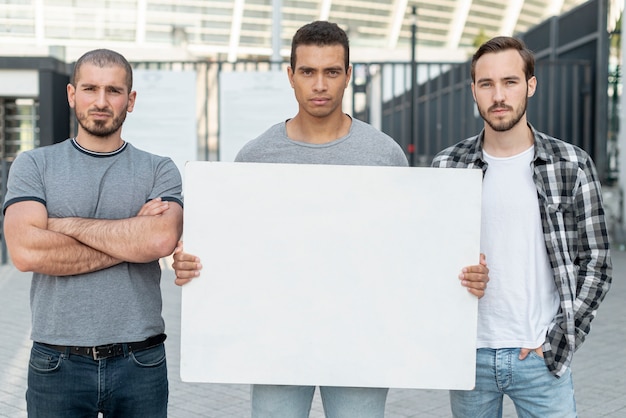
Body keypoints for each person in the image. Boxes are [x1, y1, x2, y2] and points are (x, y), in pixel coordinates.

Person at [173, 21, 489, 418]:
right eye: (307, 71)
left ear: (348, 75)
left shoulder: (384, 155)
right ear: (290, 76)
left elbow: (408, 252)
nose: (319, 84)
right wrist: (196, 266)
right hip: (276, 342)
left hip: (362, 342)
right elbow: (237, 252)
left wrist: (460, 273)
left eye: (331, 72)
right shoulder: (256, 156)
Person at [432, 36, 612, 417]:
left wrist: (563, 336)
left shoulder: (571, 164)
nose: (498, 95)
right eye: (487, 84)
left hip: (541, 357)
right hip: (470, 358)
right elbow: (425, 261)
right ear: (474, 91)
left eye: (510, 82)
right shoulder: (447, 167)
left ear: (530, 85)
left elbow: (596, 262)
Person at [2, 49, 183, 417]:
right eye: (90, 89)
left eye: (114, 91)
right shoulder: (34, 164)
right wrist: (133, 237)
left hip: (140, 361)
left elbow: (160, 240)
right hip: (56, 362)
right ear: (72, 95)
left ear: (130, 100)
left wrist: (63, 225)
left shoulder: (159, 169)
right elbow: (26, 252)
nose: (101, 102)